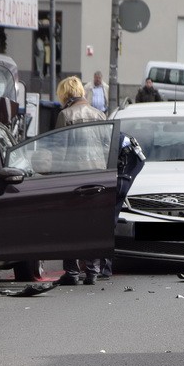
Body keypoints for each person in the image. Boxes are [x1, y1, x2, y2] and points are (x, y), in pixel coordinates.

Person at [54, 76, 106, 286]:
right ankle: (93, 271)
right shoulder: (100, 115)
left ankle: (72, 272)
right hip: (98, 175)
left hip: (73, 176)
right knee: (92, 224)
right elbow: (106, 146)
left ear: (64, 94)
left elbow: (59, 150)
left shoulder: (65, 115)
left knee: (70, 225)